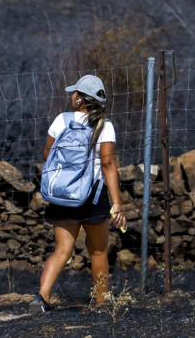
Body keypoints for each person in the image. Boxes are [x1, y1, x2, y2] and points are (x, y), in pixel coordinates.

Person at [31, 75, 127, 313]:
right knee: (98, 250)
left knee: (62, 250)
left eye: (74, 93)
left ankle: (41, 298)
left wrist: (67, 175)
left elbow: (47, 153)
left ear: (80, 99)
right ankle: (102, 303)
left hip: (63, 195)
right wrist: (117, 204)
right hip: (93, 197)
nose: (71, 96)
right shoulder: (105, 126)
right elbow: (108, 166)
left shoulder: (61, 121)